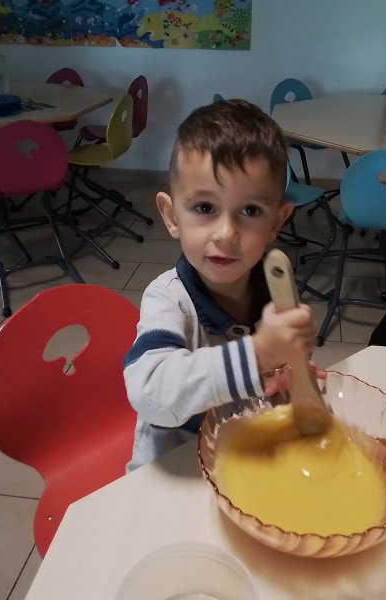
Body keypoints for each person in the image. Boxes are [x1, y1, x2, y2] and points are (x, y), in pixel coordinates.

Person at [123, 99, 315, 471]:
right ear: (171, 216)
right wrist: (259, 352)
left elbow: (269, 376)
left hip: (242, 457)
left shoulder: (275, 292)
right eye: (205, 208)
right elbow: (150, 392)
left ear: (277, 221)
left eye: (250, 211)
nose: (226, 233)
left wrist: (289, 377)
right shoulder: (168, 299)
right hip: (173, 473)